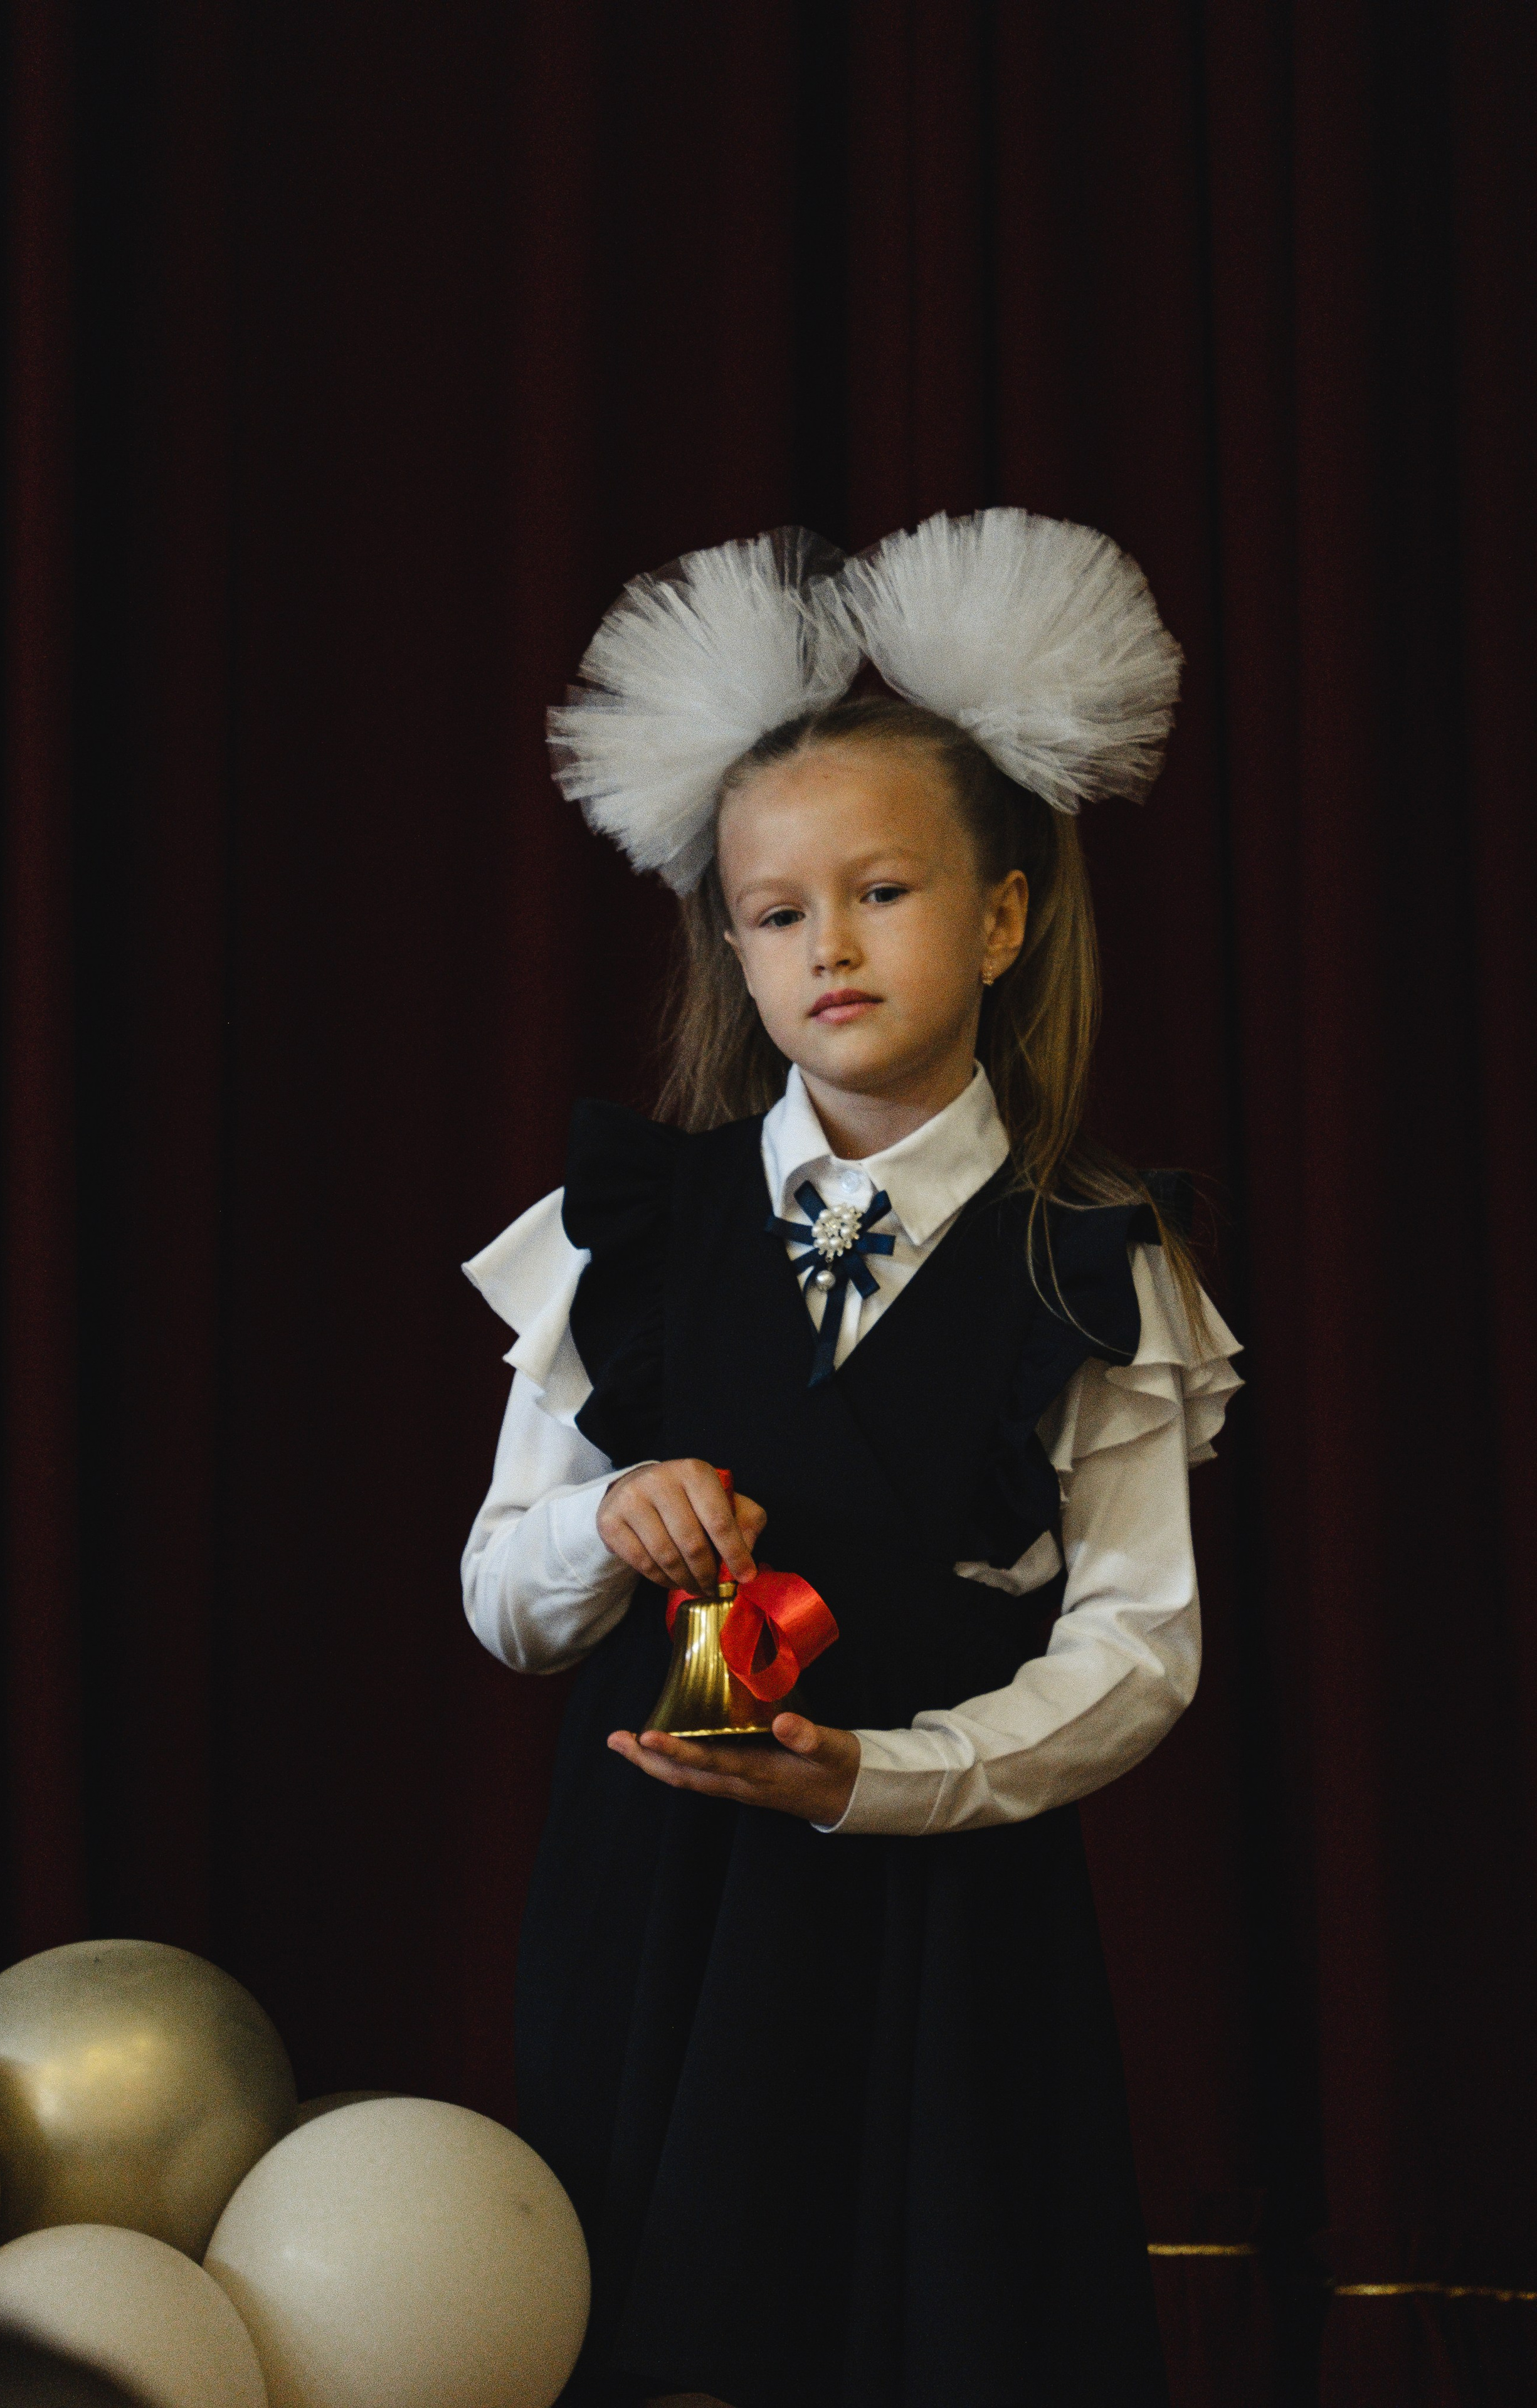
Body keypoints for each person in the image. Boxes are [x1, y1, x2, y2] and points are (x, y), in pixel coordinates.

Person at [462, 510, 1243, 2408]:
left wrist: (880, 1783)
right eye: (780, 909)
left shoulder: (1092, 1258)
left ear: (1000, 915)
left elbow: (1141, 1647)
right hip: (654, 1912)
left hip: (935, 1931)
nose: (828, 945)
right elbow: (503, 1601)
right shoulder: (625, 1229)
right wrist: (600, 1519)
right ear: (729, 943)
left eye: (882, 893)